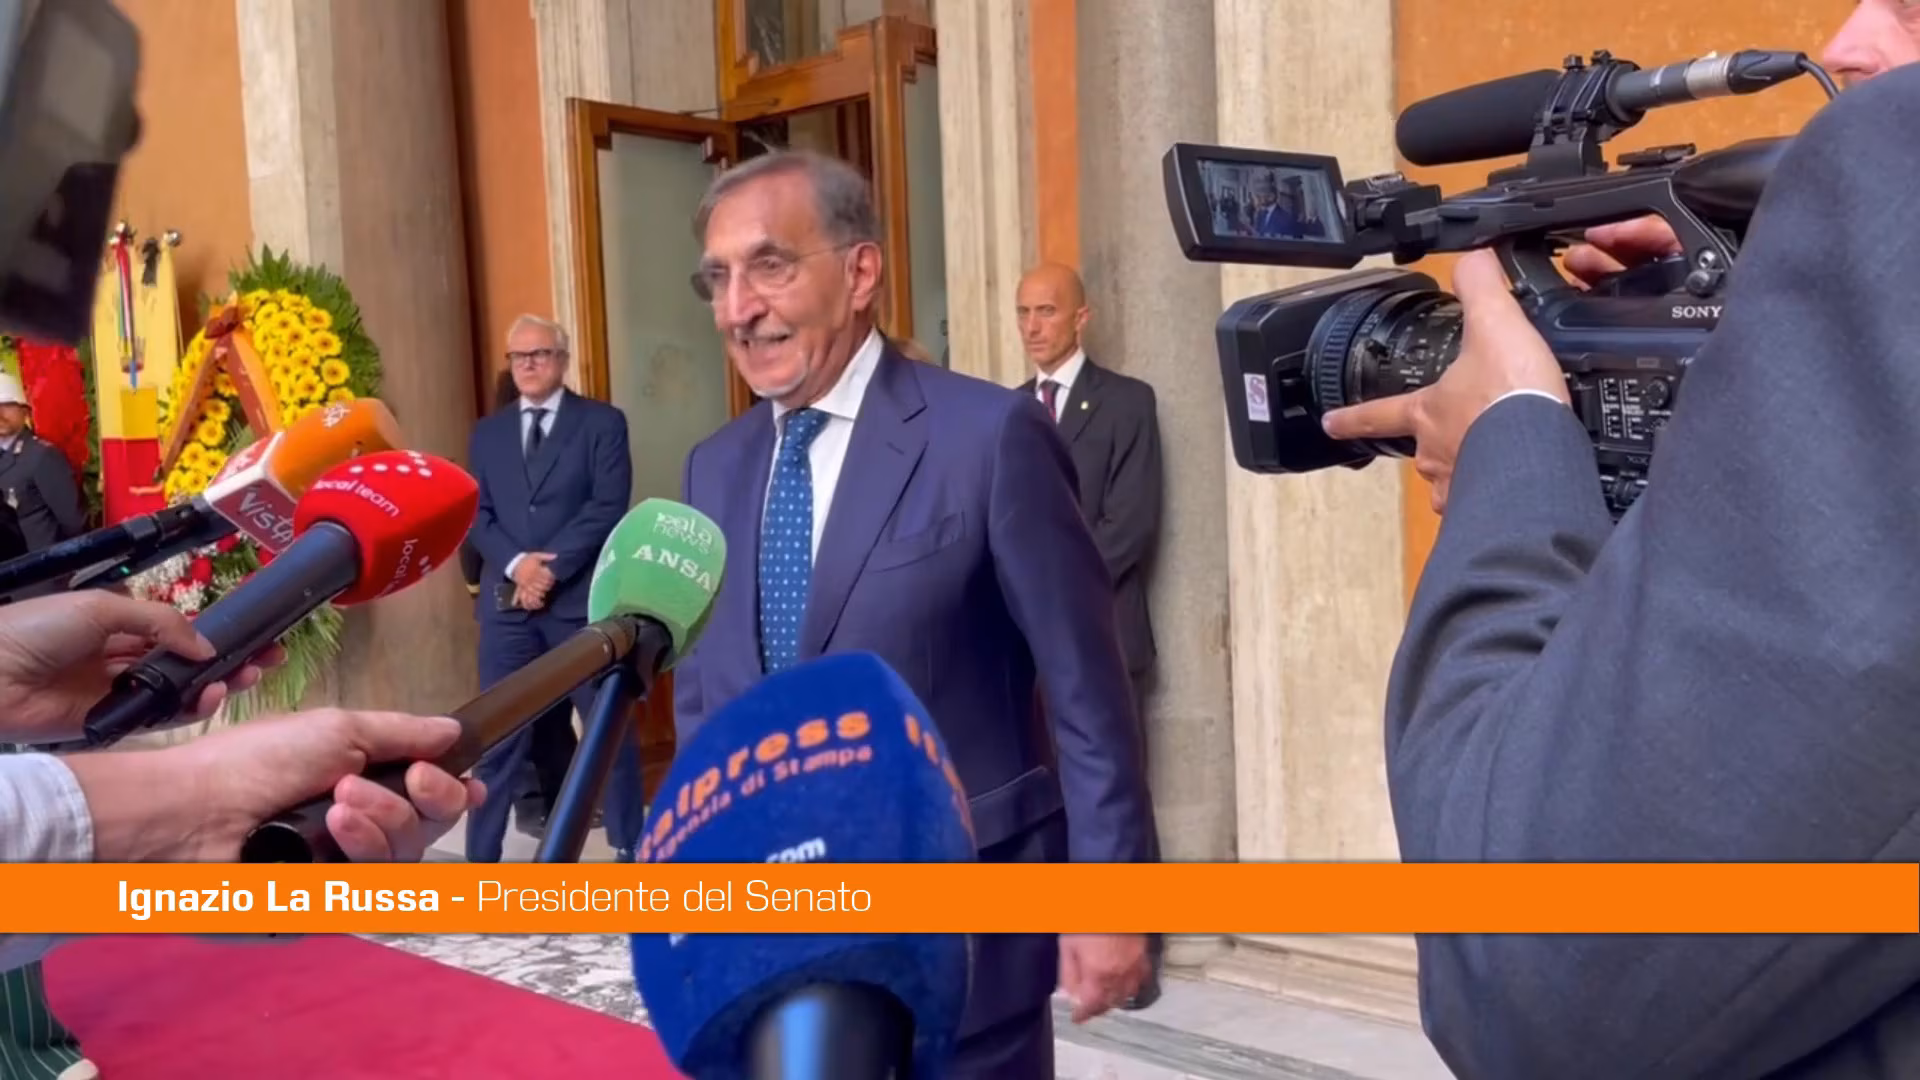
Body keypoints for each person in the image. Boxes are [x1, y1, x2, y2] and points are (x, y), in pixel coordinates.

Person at [1316, 54, 1920, 1080]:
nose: (1849, 38)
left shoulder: (1894, 156)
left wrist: (1511, 444)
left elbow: (1530, 977)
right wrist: (1756, 342)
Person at [673, 150, 1155, 1078]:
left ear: (861, 272)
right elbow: (706, 704)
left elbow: (1087, 689)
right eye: (718, 279)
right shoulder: (713, 468)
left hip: (962, 948)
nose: (738, 308)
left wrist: (1111, 897)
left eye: (769, 265)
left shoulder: (990, 436)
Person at [1013, 261, 1165, 1009]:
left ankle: (1137, 958)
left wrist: (1047, 595)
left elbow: (1130, 526)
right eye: (1023, 312)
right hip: (1022, 651)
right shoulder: (1006, 412)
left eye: (1046, 311)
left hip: (1103, 636)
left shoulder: (1128, 402)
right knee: (1048, 801)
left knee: (1116, 794)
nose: (1031, 326)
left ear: (1082, 317)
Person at [464, 314, 642, 862]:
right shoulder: (487, 433)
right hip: (508, 609)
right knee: (495, 737)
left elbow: (607, 506)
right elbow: (476, 514)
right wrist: (519, 566)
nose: (528, 365)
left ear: (562, 360)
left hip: (578, 605)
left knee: (607, 728)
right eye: (518, 357)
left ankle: (632, 850)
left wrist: (549, 571)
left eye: (539, 354)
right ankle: (481, 859)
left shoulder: (602, 423)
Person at [460, 366, 574, 838]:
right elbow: (476, 527)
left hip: (540, 597)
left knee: (540, 709)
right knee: (526, 711)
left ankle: (552, 803)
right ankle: (540, 804)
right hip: (520, 599)